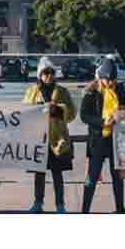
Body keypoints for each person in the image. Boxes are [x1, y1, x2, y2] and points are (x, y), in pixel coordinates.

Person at [22, 56, 76, 213]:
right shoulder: (32, 92)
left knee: (57, 175)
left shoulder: (62, 92)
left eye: (51, 72)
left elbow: (72, 113)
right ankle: (38, 203)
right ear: (40, 74)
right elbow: (23, 112)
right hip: (38, 139)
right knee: (39, 174)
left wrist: (57, 110)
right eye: (45, 72)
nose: (49, 75)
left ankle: (60, 205)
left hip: (57, 140)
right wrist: (36, 109)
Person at [80, 56, 125, 213]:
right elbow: (84, 116)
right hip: (98, 140)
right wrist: (103, 122)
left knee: (117, 177)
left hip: (116, 140)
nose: (110, 83)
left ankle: (120, 209)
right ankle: (85, 210)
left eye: (112, 80)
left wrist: (121, 113)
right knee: (92, 177)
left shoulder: (120, 90)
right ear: (100, 78)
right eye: (107, 80)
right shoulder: (92, 92)